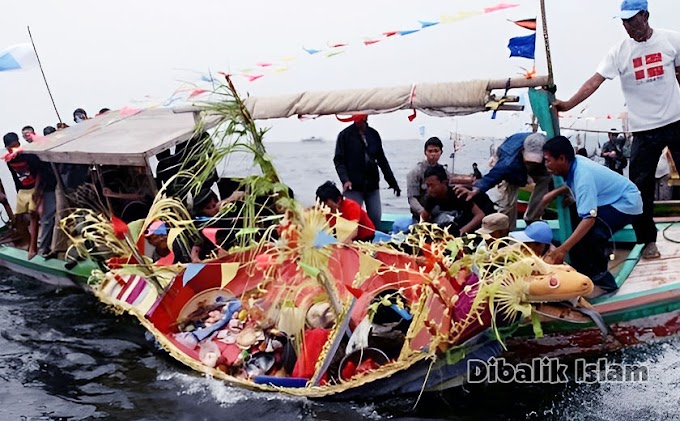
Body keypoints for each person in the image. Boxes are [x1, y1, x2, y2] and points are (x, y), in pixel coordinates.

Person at [553, 0, 680, 259]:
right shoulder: (619, 52)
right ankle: (648, 241)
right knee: (639, 188)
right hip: (644, 129)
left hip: (676, 121)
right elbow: (594, 82)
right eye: (623, 22)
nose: (628, 26)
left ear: (645, 15)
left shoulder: (672, 41)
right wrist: (567, 104)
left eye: (632, 20)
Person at [541, 136, 642, 294]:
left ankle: (603, 280)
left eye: (548, 161)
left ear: (561, 159)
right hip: (609, 199)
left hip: (626, 202)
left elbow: (589, 219)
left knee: (593, 233)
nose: (547, 165)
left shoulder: (583, 177)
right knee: (575, 220)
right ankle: (580, 269)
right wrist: (556, 192)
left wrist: (562, 249)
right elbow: (574, 186)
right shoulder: (575, 162)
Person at [455, 132, 551, 230]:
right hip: (513, 169)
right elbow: (494, 175)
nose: (531, 166)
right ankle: (504, 230)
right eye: (529, 162)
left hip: (541, 167)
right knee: (508, 203)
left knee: (545, 181)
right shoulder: (508, 161)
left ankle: (532, 219)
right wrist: (476, 189)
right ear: (522, 152)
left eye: (534, 162)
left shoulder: (549, 150)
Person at [333, 114, 400, 228]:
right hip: (353, 187)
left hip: (372, 186)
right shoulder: (345, 135)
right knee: (352, 220)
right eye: (359, 121)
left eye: (363, 121)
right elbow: (338, 160)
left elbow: (382, 160)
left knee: (375, 218)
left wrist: (393, 183)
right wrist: (345, 180)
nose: (361, 124)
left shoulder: (373, 134)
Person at [3, 132, 41, 259]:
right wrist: (18, 192)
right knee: (19, 218)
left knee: (33, 215)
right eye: (10, 147)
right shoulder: (9, 160)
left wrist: (37, 190)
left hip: (34, 187)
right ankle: (27, 242)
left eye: (15, 146)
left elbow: (39, 174)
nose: (13, 149)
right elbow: (15, 178)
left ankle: (34, 247)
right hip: (22, 190)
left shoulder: (28, 156)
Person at [421, 165, 486, 236]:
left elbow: (480, 215)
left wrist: (462, 231)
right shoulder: (431, 197)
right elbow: (424, 217)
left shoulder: (458, 193)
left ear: (444, 182)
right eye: (427, 186)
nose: (430, 189)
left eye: (432, 185)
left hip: (477, 221)